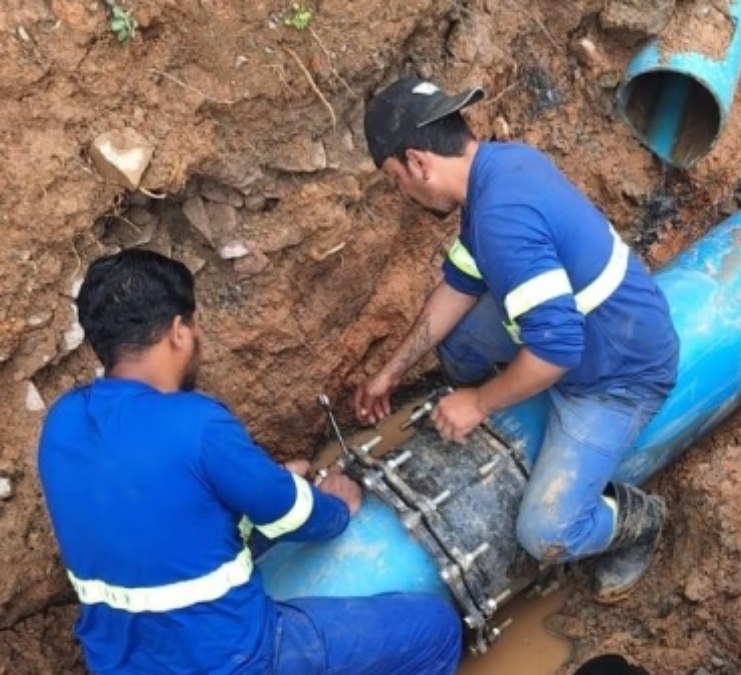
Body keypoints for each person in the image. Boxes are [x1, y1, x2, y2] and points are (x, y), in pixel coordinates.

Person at [37, 250, 462, 674]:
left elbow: (169, 520)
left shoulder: (62, 422)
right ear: (178, 331)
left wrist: (271, 483)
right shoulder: (197, 423)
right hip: (234, 659)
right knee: (436, 630)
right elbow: (300, 518)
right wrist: (334, 506)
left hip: (121, 662)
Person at [355, 77, 681, 602]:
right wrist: (391, 370)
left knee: (545, 533)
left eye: (396, 179)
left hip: (616, 372)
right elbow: (460, 284)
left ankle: (640, 520)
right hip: (581, 325)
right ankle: (492, 395)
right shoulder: (499, 169)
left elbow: (557, 350)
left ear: (418, 161)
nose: (403, 192)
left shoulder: (502, 219)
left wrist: (478, 403)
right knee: (458, 345)